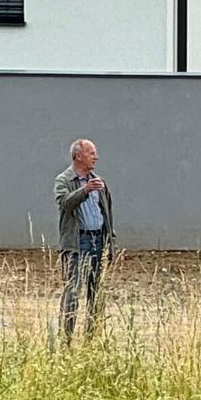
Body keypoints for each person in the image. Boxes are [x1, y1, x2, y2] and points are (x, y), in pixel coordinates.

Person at [54, 138, 113, 340]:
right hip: (77, 243)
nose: (96, 157)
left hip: (97, 240)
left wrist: (110, 242)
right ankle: (66, 339)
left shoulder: (99, 182)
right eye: (91, 153)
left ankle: (91, 338)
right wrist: (84, 190)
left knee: (96, 292)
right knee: (73, 291)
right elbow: (65, 203)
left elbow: (106, 213)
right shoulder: (64, 180)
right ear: (78, 156)